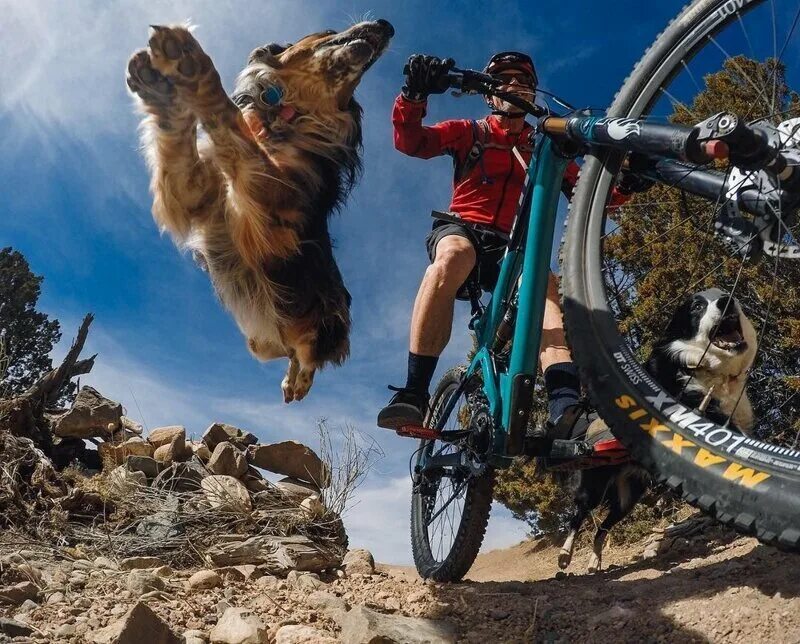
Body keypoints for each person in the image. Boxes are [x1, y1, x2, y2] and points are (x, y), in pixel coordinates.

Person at [377, 51, 637, 435]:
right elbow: (412, 141)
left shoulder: (543, 150)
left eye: (524, 81)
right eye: (503, 80)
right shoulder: (471, 131)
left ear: (533, 95)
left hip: (513, 248)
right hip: (463, 228)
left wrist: (629, 181)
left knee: (544, 290)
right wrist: (414, 95)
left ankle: (564, 409)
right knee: (454, 255)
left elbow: (594, 194)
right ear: (489, 95)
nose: (514, 86)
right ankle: (414, 393)